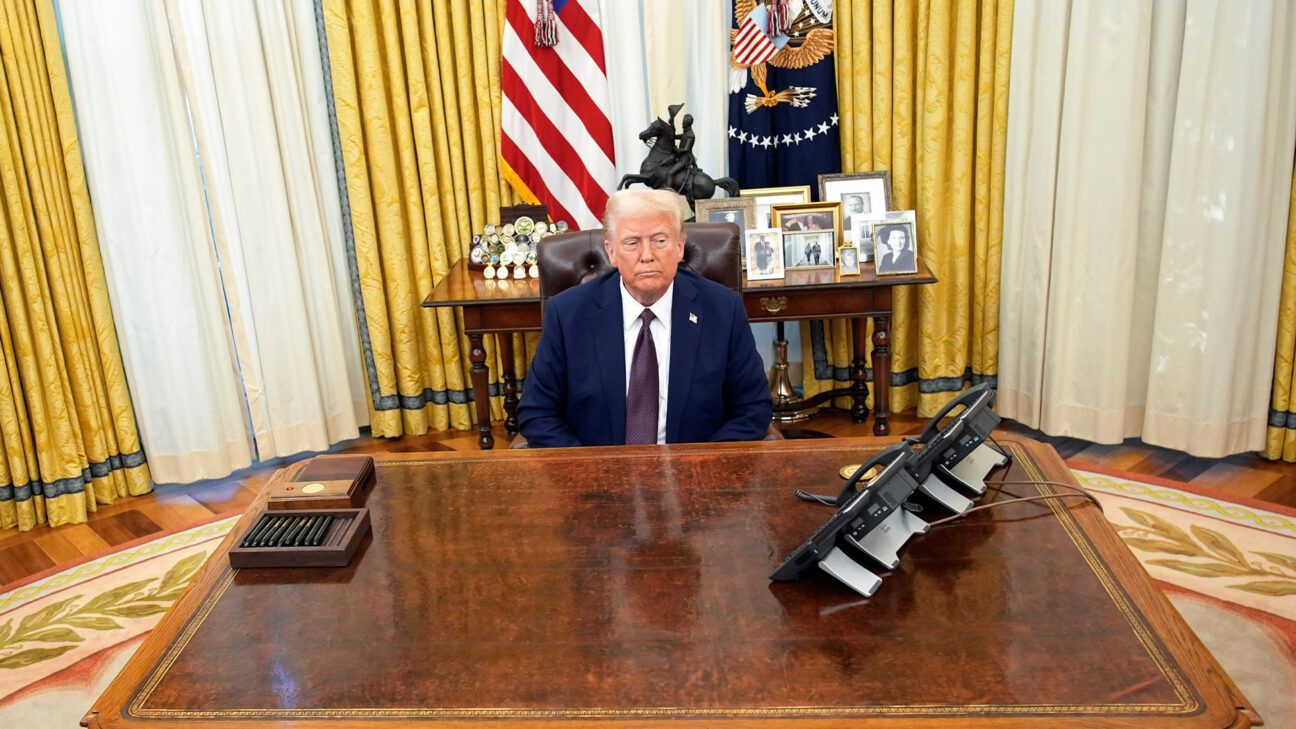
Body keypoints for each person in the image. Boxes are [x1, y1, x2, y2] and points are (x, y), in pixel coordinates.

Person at [518, 189, 773, 447]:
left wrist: (700, 468)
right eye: (632, 243)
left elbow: (753, 409)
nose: (647, 255)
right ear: (611, 252)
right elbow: (537, 412)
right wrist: (591, 471)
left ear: (679, 247)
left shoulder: (722, 310)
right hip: (597, 476)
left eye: (660, 240)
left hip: (692, 476)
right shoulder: (568, 314)